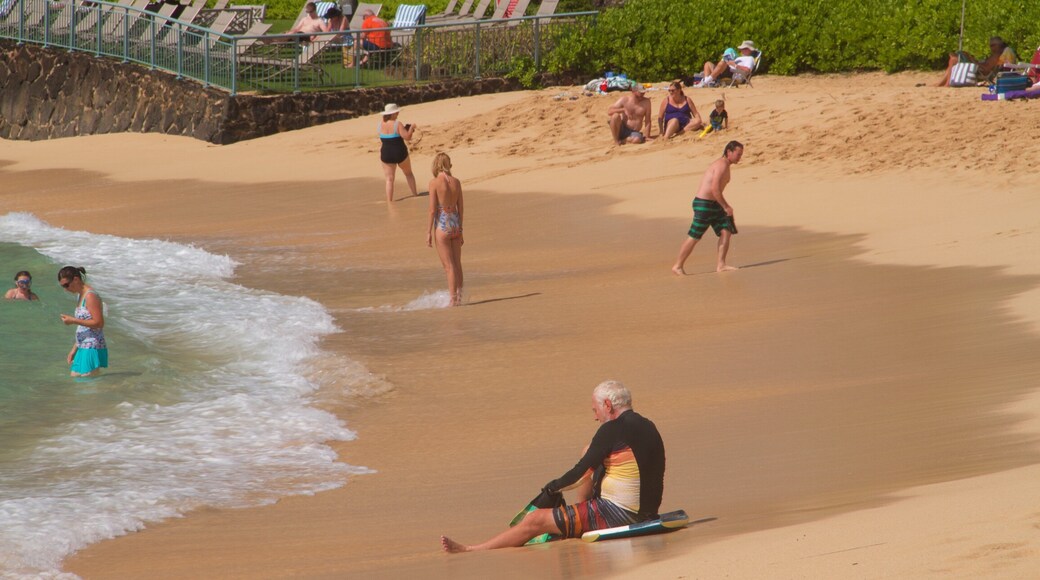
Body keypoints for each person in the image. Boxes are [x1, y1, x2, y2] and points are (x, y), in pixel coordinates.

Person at [441, 380, 665, 552]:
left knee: (534, 520)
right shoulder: (648, 425)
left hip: (620, 514)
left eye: (595, 410)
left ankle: (472, 549)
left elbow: (579, 475)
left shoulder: (611, 429)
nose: (595, 417)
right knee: (589, 450)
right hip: (646, 511)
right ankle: (582, 514)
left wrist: (551, 488)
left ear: (607, 405)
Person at [672, 141, 744, 275]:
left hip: (713, 204)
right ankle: (678, 266)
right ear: (729, 152)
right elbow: (715, 189)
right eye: (738, 154)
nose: (740, 157)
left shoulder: (725, 165)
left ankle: (721, 265)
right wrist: (726, 207)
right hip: (704, 204)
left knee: (726, 230)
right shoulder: (721, 165)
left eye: (741, 154)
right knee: (695, 236)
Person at [427, 153, 464, 306]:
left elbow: (432, 210)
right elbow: (460, 207)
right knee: (457, 264)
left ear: (436, 165)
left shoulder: (434, 183)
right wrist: (461, 228)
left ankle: (453, 301)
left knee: (448, 267)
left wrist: (428, 231)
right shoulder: (456, 182)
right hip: (455, 222)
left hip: (442, 224)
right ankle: (460, 297)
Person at [57, 266, 108, 377]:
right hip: (83, 345)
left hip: (92, 345)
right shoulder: (81, 295)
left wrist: (73, 320)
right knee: (75, 377)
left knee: (87, 383)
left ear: (76, 279)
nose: (65, 289)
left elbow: (99, 323)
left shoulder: (90, 296)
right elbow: (84, 326)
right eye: (62, 286)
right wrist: (74, 349)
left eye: (66, 285)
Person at [937, 36, 1018, 87]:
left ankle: (945, 83)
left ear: (999, 45)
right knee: (954, 58)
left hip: (981, 71)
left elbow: (986, 69)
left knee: (954, 59)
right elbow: (985, 64)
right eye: (990, 46)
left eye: (993, 45)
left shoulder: (997, 55)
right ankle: (942, 83)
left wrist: (971, 60)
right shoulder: (996, 54)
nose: (991, 48)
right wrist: (974, 59)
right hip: (980, 68)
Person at [378, 103, 419, 202]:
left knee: (389, 179)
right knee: (408, 174)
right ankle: (415, 195)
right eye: (396, 112)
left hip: (386, 154)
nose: (398, 113)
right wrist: (411, 128)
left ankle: (389, 201)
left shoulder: (380, 125)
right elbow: (407, 137)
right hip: (400, 153)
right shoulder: (397, 124)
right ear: (392, 114)